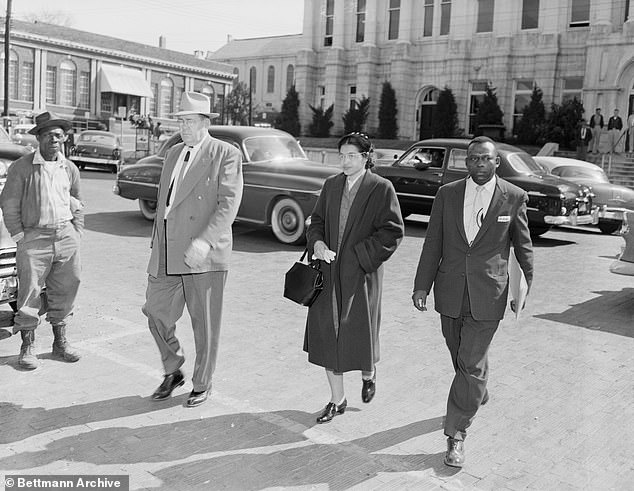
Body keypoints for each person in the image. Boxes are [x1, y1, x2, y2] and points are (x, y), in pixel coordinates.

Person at [412, 136, 533, 468]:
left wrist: (521, 291)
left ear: (496, 163)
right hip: (450, 290)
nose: (479, 164)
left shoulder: (514, 197)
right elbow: (433, 242)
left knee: (470, 360)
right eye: (473, 159)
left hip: (488, 293)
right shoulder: (447, 195)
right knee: (459, 355)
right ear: (465, 163)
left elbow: (523, 249)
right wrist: (421, 285)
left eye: (485, 159)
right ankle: (477, 390)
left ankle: (456, 434)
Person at [143, 92, 243, 408]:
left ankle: (202, 382)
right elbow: (166, 202)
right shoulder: (173, 153)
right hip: (167, 249)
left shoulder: (225, 153)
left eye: (189, 121)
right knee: (155, 312)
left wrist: (205, 241)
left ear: (204, 122)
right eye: (181, 121)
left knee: (205, 324)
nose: (183, 127)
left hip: (203, 252)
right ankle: (173, 369)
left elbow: (228, 204)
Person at [305, 132, 404, 424]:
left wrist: (361, 256)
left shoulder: (381, 188)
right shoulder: (331, 185)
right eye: (342, 155)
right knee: (327, 334)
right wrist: (317, 243)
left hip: (361, 274)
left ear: (366, 157)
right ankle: (338, 400)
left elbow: (393, 230)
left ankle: (368, 372)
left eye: (352, 156)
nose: (345, 161)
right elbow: (317, 221)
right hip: (328, 272)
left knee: (359, 330)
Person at [0, 112, 84, 370]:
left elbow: (77, 200)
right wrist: (19, 235)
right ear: (38, 138)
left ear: (65, 138)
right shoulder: (22, 167)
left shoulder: (69, 167)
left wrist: (76, 231)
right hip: (34, 238)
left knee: (67, 288)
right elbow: (9, 203)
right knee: (30, 292)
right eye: (47, 135)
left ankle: (60, 343)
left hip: (65, 235)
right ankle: (28, 346)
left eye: (58, 135)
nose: (53, 140)